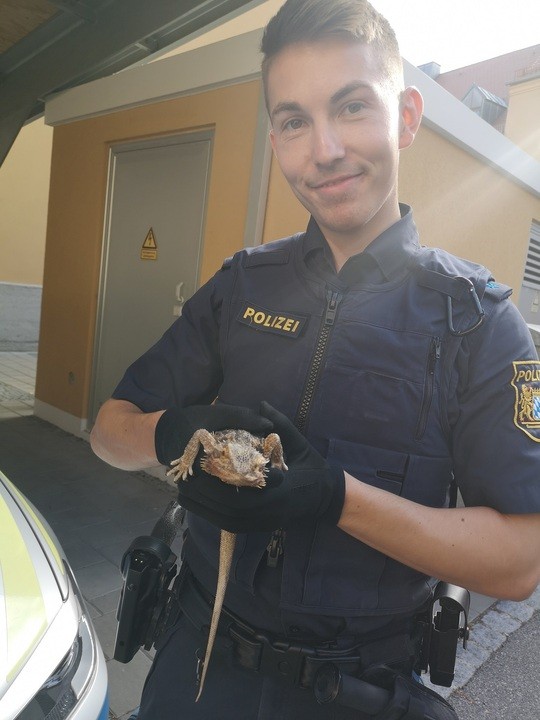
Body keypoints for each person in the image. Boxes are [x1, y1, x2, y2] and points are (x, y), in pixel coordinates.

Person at [90, 1, 540, 718]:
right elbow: (109, 430)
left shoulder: (478, 322)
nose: (323, 150)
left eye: (352, 106)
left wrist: (336, 498)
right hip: (196, 671)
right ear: (276, 139)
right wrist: (169, 434)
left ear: (407, 117)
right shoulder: (239, 287)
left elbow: (519, 562)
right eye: (295, 121)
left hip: (356, 692)